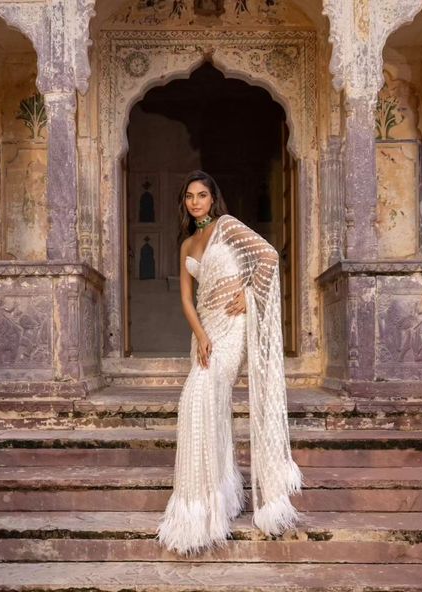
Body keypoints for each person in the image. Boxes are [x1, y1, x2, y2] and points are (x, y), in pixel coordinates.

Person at [155, 170, 303, 556]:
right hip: (205, 332)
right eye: (189, 196)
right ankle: (213, 501)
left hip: (234, 327)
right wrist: (201, 335)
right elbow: (187, 300)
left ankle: (201, 507)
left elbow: (268, 257)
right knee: (208, 408)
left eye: (202, 195)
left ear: (213, 198)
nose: (195, 202)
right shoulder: (187, 243)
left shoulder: (227, 226)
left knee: (196, 401)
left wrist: (249, 293)